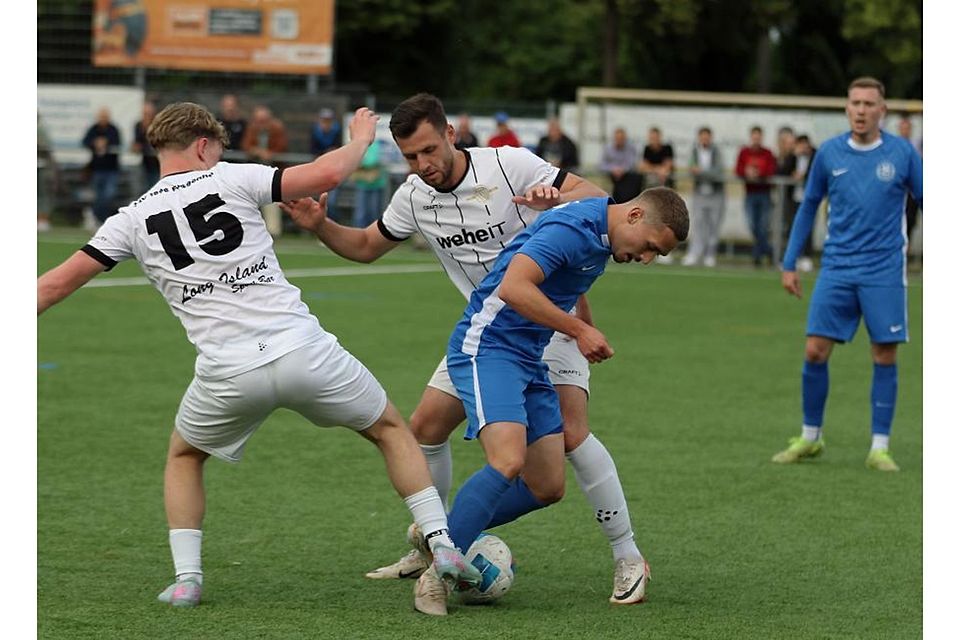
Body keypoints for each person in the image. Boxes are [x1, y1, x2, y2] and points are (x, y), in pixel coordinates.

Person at [36, 102, 479, 609]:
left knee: (185, 456)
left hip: (228, 371)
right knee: (391, 430)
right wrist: (360, 137)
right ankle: (440, 544)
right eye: (218, 147)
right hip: (304, 352)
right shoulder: (230, 177)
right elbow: (330, 171)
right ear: (203, 145)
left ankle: (187, 580)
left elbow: (51, 287)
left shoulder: (130, 219)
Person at [282, 93, 652, 609]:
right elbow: (366, 246)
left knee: (570, 436)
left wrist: (555, 198)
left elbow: (598, 199)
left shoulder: (509, 163)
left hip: (553, 326)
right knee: (426, 428)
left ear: (452, 133)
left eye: (430, 150)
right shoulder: (413, 195)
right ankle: (435, 540)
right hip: (488, 333)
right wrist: (320, 226)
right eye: (411, 157)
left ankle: (627, 556)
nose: (423, 165)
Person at [420, 186, 688, 615]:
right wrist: (580, 331)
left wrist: (584, 320)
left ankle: (441, 532)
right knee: (505, 460)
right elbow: (513, 287)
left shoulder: (604, 234)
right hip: (489, 347)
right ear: (635, 216)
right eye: (651, 248)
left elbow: (567, 277)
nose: (646, 259)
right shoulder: (572, 227)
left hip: (529, 356)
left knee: (547, 485)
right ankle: (436, 575)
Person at [774, 77, 923, 472]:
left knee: (883, 354)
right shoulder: (829, 154)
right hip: (837, 268)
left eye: (869, 103)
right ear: (847, 107)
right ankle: (810, 437)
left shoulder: (903, 154)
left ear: (882, 111)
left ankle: (879, 446)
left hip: (884, 271)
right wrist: (790, 262)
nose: (860, 110)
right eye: (855, 102)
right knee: (814, 351)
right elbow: (808, 207)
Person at [243, 105, 289, 236]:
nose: (261, 124)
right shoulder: (252, 129)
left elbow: (281, 147)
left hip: (272, 173)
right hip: (251, 174)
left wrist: (270, 153)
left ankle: (273, 233)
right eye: (259, 120)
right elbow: (246, 145)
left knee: (272, 202)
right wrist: (258, 151)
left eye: (264, 120)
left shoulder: (277, 129)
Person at [682, 126, 724, 267]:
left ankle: (710, 254)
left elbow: (718, 172)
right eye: (702, 136)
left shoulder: (717, 152)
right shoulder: (694, 151)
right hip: (699, 193)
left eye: (707, 136)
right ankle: (694, 253)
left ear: (710, 137)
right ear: (699, 137)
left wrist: (701, 172)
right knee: (698, 224)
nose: (705, 139)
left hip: (716, 194)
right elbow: (690, 171)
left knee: (713, 225)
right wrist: (700, 172)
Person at [735, 126, 777, 267]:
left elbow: (771, 170)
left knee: (763, 226)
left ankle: (757, 256)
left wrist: (759, 174)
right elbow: (738, 169)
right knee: (753, 225)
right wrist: (746, 173)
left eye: (758, 137)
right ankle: (768, 251)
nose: (756, 139)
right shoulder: (744, 152)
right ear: (751, 137)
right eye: (754, 137)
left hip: (764, 194)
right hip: (750, 194)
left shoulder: (768, 153)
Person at [82, 107, 122, 223]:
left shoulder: (113, 129)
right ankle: (97, 217)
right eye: (101, 117)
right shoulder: (94, 129)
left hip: (111, 169)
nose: (103, 119)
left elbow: (117, 143)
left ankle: (100, 217)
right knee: (98, 196)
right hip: (97, 169)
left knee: (109, 195)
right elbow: (85, 141)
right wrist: (95, 143)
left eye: (105, 117)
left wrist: (106, 143)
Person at [789, 134, 817, 272]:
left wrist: (803, 176)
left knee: (808, 228)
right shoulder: (792, 157)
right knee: (792, 226)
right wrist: (793, 155)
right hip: (793, 199)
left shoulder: (816, 156)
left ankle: (806, 257)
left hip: (809, 199)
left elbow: (817, 173)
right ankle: (793, 257)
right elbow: (783, 169)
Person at [896, 113, 922, 259]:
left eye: (907, 128)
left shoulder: (916, 147)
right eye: (903, 128)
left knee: (910, 222)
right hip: (895, 192)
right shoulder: (891, 146)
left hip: (911, 192)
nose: (905, 131)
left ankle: (906, 252)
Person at [600, 127, 643, 204]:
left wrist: (622, 170)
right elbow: (602, 164)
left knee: (635, 178)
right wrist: (613, 169)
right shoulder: (607, 148)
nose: (619, 140)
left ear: (625, 138)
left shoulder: (631, 148)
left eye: (621, 138)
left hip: (626, 175)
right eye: (617, 138)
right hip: (611, 175)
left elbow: (632, 162)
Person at [351, 139, 387, 228]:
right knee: (361, 214)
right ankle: (359, 235)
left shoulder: (376, 145)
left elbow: (373, 160)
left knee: (374, 212)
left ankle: (374, 235)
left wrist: (362, 163)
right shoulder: (357, 145)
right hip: (362, 184)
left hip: (377, 184)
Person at [132, 100, 160, 192]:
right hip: (143, 161)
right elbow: (137, 142)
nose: (146, 116)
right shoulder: (139, 125)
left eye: (148, 113)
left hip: (157, 163)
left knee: (155, 186)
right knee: (141, 188)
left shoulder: (158, 125)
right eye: (144, 113)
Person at [38, 113, 58, 232]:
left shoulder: (41, 131)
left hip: (41, 166)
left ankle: (42, 219)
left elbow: (47, 148)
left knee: (42, 194)